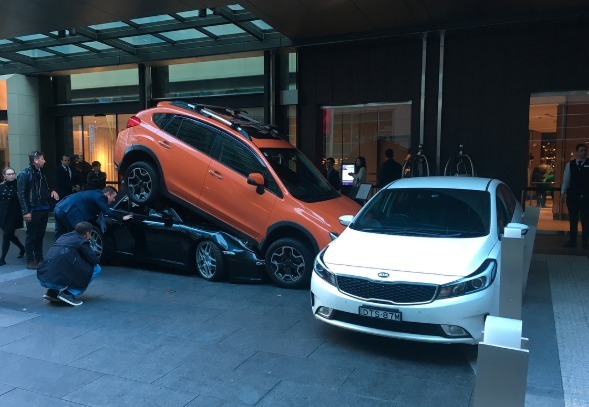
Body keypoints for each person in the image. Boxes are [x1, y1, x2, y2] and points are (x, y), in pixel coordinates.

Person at [37, 221, 101, 306]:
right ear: (88, 233)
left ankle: (52, 292)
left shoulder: (63, 236)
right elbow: (94, 260)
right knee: (96, 268)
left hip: (43, 277)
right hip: (55, 281)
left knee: (62, 263)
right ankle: (69, 293)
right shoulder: (81, 241)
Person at [17, 151, 59, 270]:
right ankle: (30, 260)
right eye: (42, 159)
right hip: (33, 209)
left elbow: (45, 187)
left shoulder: (42, 173)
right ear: (35, 160)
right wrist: (26, 211)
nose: (44, 161)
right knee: (32, 236)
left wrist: (52, 190)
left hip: (43, 207)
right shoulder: (25, 174)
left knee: (40, 235)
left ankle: (39, 258)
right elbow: (21, 194)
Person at [53, 186, 132, 241]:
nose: (114, 200)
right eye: (113, 197)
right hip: (68, 210)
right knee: (77, 236)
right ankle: (77, 260)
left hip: (59, 207)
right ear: (107, 193)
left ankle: (53, 258)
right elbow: (108, 211)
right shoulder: (100, 196)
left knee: (59, 236)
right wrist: (122, 217)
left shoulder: (95, 193)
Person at [561, 143, 589, 249]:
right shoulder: (570, 164)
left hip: (586, 197)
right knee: (573, 219)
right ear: (577, 152)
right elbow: (566, 179)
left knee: (585, 219)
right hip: (573, 196)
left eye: (585, 150)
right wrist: (562, 193)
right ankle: (572, 241)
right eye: (581, 150)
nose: (584, 152)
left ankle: (585, 242)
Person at [0, 167, 25, 265]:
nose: (11, 176)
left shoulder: (19, 185)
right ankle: (22, 248)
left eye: (12, 173)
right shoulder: (1, 187)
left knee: (6, 235)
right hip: (2, 214)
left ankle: (2, 258)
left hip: (14, 214)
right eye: (9, 174)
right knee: (9, 235)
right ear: (4, 176)